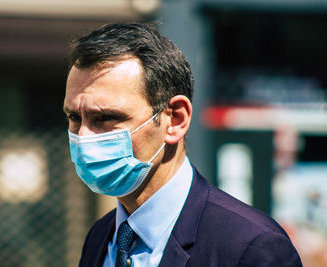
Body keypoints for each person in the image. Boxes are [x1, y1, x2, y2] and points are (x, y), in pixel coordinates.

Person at [63, 23, 302, 267]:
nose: (83, 136)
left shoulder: (251, 247)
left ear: (176, 119)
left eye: (106, 118)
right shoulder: (101, 237)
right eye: (74, 118)